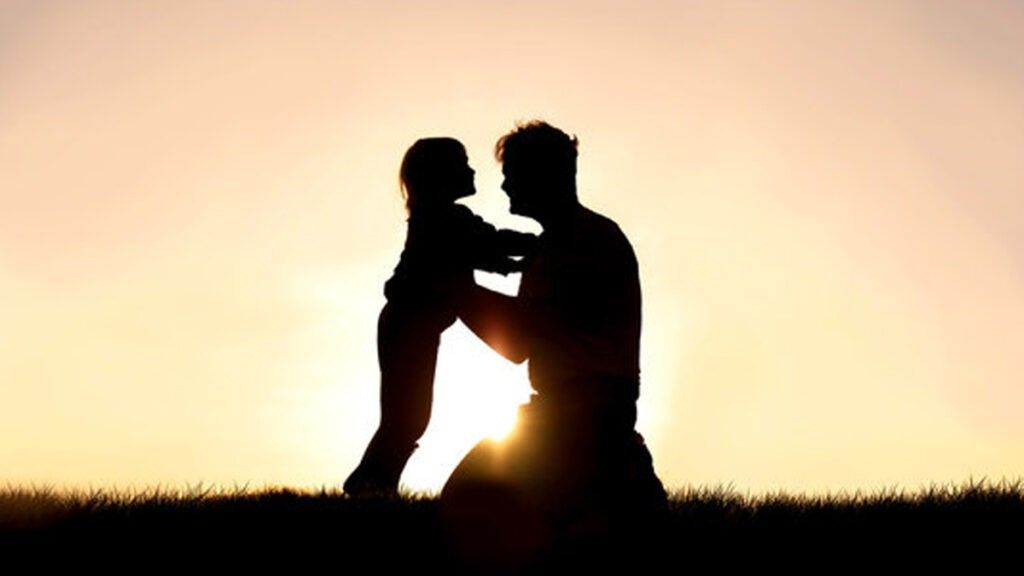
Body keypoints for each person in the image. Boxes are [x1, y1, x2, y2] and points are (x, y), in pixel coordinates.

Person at [440, 121, 668, 567]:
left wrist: (454, 286)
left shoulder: (584, 242)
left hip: (580, 418)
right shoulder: (564, 243)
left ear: (541, 175)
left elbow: (521, 336)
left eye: (512, 172)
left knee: (468, 504)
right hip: (574, 414)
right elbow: (521, 341)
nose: (503, 184)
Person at [344, 137, 537, 497]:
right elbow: (489, 246)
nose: (472, 169)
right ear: (440, 175)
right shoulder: (443, 219)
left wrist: (520, 258)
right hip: (408, 326)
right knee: (407, 416)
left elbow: (485, 249)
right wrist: (537, 248)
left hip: (413, 326)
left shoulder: (444, 218)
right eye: (462, 163)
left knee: (409, 415)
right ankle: (370, 483)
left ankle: (376, 482)